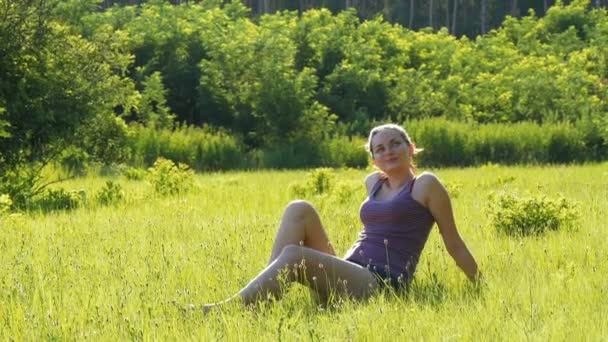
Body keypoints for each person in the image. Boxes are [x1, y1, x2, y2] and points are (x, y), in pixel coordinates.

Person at [194, 124, 480, 312]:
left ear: (411, 148)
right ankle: (262, 301)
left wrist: (481, 286)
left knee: (294, 254)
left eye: (395, 144)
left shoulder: (425, 185)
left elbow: (454, 243)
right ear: (374, 160)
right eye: (379, 149)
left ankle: (229, 309)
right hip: (348, 270)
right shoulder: (373, 183)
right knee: (299, 208)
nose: (388, 151)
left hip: (380, 284)